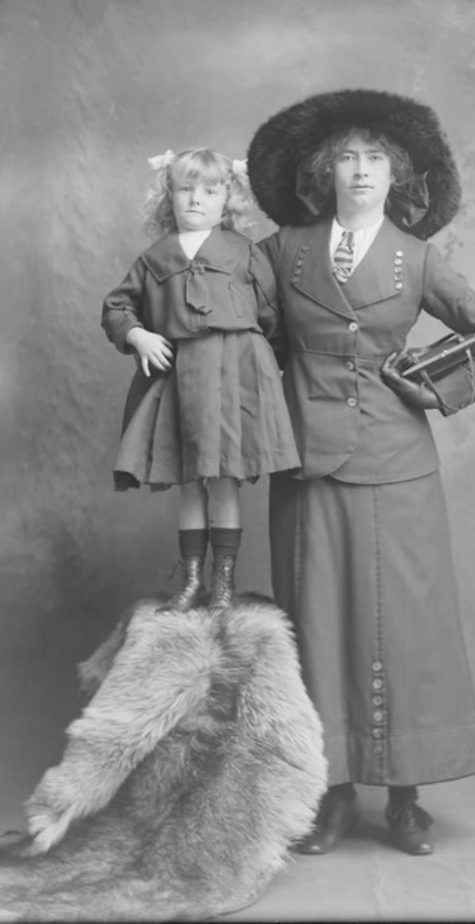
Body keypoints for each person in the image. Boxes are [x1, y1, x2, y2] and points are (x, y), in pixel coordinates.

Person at [246, 89, 475, 856]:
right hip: (306, 464)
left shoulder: (418, 256)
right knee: (317, 624)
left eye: (375, 157)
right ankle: (329, 794)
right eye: (346, 156)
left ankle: (404, 797)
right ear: (320, 171)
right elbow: (239, 323)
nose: (360, 169)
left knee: (403, 628)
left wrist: (433, 389)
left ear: (397, 175)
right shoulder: (281, 249)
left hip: (398, 466)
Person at [101, 148, 300, 612]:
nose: (196, 199)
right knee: (190, 480)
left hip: (232, 380)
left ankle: (224, 583)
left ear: (227, 198)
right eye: (185, 189)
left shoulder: (244, 253)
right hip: (178, 380)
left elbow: (272, 317)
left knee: (224, 479)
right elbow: (116, 306)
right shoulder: (154, 259)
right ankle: (191, 581)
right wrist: (138, 335)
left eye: (210, 191)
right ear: (168, 196)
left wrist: (264, 371)